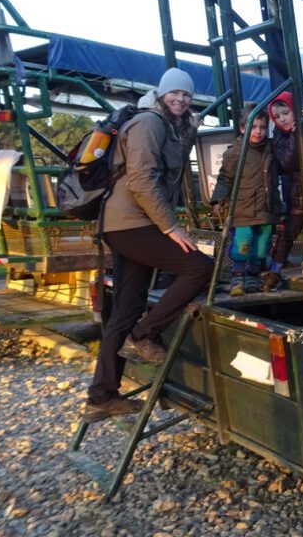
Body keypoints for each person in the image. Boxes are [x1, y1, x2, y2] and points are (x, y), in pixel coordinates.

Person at [83, 68, 213, 423]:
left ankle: (101, 398)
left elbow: (168, 168)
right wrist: (171, 228)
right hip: (131, 224)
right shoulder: (149, 123)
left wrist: (189, 129)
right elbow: (142, 180)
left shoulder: (166, 125)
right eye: (175, 93)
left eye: (187, 96)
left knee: (125, 307)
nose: (181, 99)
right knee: (199, 267)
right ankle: (143, 335)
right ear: (161, 93)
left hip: (128, 224)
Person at [210, 103, 281, 295]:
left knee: (261, 246)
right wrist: (218, 200)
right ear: (243, 128)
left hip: (266, 208)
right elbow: (225, 178)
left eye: (262, 127)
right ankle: (237, 277)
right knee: (242, 243)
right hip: (244, 208)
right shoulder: (235, 152)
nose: (258, 132)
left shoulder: (271, 148)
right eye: (253, 127)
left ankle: (253, 277)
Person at [265, 91, 303, 280]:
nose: (282, 119)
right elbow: (288, 162)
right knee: (291, 229)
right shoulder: (279, 137)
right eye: (277, 117)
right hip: (296, 193)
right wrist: (295, 135)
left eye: (286, 113)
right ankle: (276, 265)